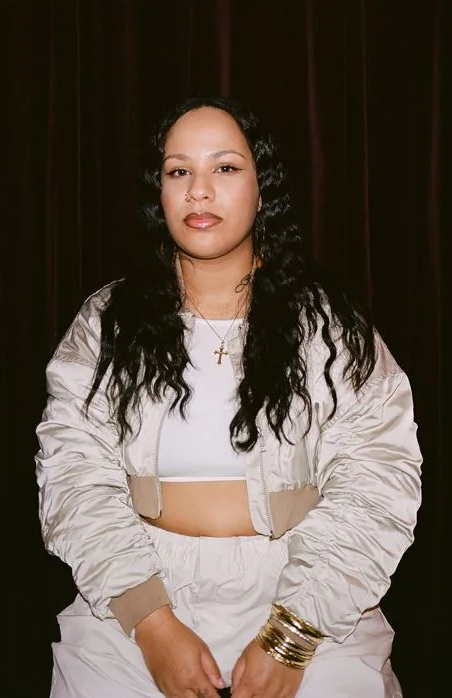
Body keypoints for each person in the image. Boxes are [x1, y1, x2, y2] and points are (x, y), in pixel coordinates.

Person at [35, 96, 422, 698]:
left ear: (262, 190)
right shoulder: (107, 324)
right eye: (178, 171)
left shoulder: (330, 328)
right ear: (159, 194)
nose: (199, 190)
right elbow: (72, 477)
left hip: (307, 589)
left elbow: (379, 481)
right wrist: (153, 624)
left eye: (225, 167)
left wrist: (292, 636)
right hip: (135, 591)